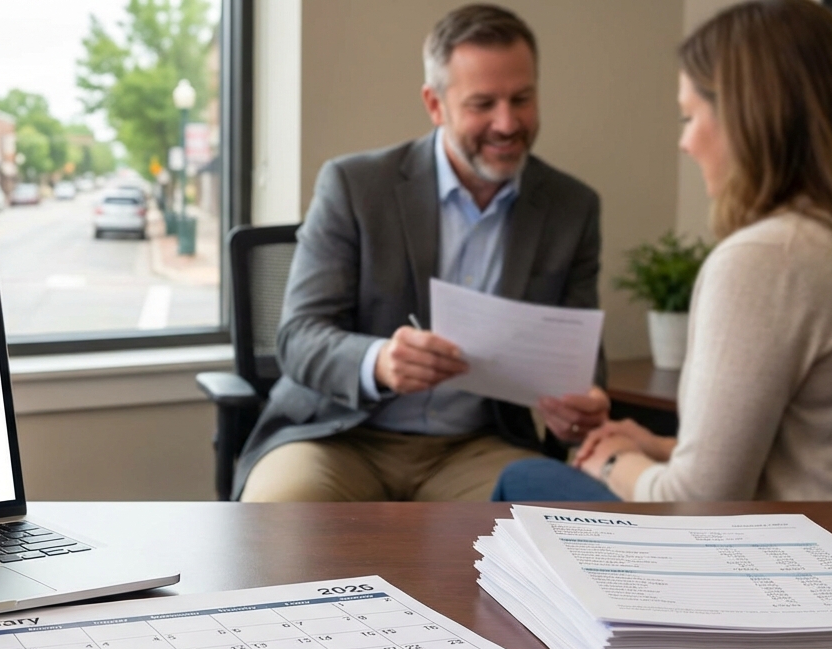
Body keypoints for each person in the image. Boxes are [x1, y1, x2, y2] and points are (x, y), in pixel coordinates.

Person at [494, 0, 832, 503]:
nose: (685, 143)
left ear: (747, 121)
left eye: (689, 117)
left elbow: (697, 503)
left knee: (524, 478)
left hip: (776, 554)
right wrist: (657, 445)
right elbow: (809, 448)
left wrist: (610, 460)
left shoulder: (767, 259)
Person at [235, 4, 609, 502]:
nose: (507, 122)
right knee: (281, 523)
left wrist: (582, 406)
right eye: (483, 104)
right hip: (339, 436)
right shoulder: (355, 186)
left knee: (563, 530)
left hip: (478, 446)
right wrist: (380, 361)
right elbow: (298, 338)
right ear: (435, 104)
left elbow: (582, 362)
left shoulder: (571, 207)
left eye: (522, 98)